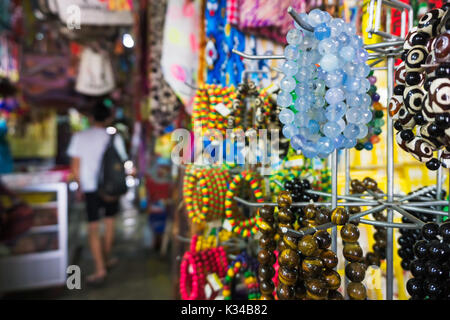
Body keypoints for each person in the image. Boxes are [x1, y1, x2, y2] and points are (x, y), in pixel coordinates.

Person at [67, 100, 128, 284]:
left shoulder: (80, 137)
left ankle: (100, 268)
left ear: (91, 117)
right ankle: (107, 259)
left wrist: (78, 187)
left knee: (93, 226)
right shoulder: (113, 137)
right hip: (109, 187)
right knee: (109, 223)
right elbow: (122, 161)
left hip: (91, 188)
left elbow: (75, 168)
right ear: (108, 118)